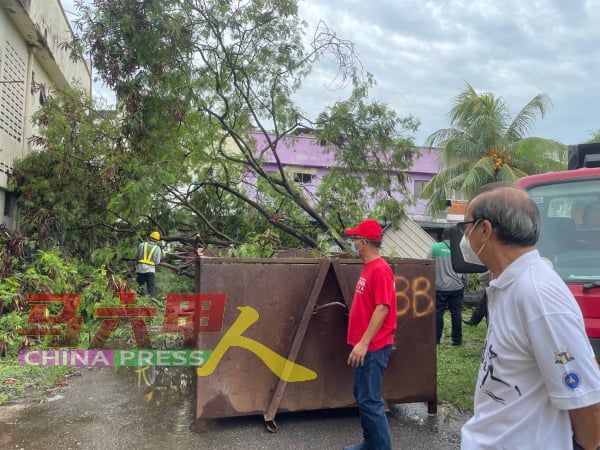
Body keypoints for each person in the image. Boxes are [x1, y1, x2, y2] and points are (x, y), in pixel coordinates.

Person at [459, 182, 600, 450]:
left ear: (485, 230)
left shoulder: (537, 293)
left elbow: (588, 402)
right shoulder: (510, 284)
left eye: (466, 226)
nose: (465, 236)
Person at [343, 219, 397, 450]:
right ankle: (371, 443)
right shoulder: (369, 267)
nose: (353, 243)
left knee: (371, 400)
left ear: (363, 242)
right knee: (363, 395)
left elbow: (383, 307)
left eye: (355, 239)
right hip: (365, 345)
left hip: (373, 347)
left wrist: (364, 343)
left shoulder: (380, 269)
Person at [428, 228, 468, 345]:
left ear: (443, 236)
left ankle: (436, 339)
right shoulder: (460, 249)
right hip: (456, 287)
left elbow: (427, 265)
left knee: (438, 312)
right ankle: (457, 340)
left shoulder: (435, 248)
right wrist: (464, 283)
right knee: (456, 313)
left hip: (439, 287)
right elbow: (465, 270)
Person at [135, 231, 162, 297]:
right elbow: (157, 262)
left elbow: (136, 257)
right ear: (157, 240)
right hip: (150, 271)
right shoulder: (158, 249)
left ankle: (139, 303)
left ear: (150, 237)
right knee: (151, 289)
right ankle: (152, 304)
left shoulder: (141, 245)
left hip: (140, 269)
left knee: (140, 287)